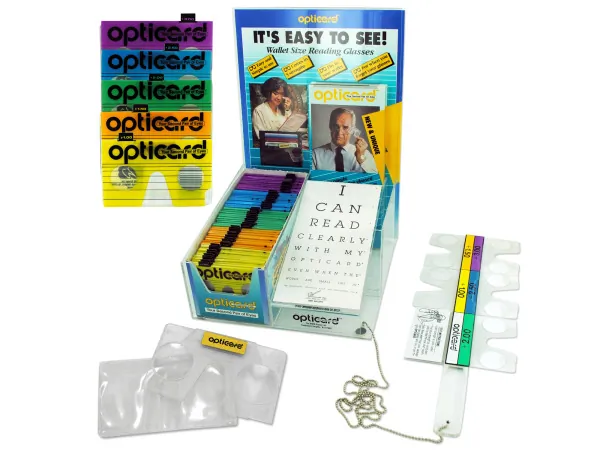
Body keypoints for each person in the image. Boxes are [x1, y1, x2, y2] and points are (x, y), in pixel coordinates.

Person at [312, 108, 377, 173]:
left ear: (352, 130)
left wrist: (361, 159)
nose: (339, 132)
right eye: (336, 126)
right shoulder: (315, 155)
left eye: (345, 127)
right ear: (330, 126)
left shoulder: (364, 154)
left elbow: (376, 177)